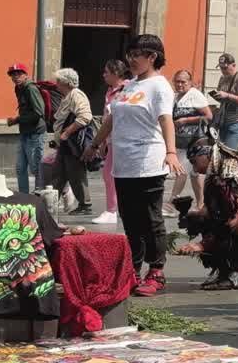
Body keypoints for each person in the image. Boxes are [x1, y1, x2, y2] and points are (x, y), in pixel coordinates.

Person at [83, 34, 184, 297]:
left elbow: (166, 120)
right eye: (129, 55)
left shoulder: (159, 86)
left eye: (136, 55)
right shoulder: (129, 86)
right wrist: (94, 144)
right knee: (130, 221)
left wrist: (171, 152)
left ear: (152, 57)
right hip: (124, 163)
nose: (131, 60)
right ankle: (132, 270)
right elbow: (111, 119)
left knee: (150, 219)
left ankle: (156, 272)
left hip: (149, 161)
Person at [174, 137, 238, 292]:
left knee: (223, 225)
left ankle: (235, 271)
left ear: (205, 155)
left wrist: (202, 244)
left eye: (194, 162)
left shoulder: (227, 175)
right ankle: (234, 269)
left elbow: (236, 219)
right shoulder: (218, 169)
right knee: (201, 221)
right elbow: (208, 212)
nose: (194, 168)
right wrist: (188, 217)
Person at [170, 70, 216, 213]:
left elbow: (209, 116)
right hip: (181, 142)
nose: (179, 84)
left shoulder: (195, 95)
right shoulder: (175, 97)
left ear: (190, 82)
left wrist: (186, 120)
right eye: (177, 81)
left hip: (197, 141)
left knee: (181, 170)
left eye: (183, 82)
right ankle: (201, 204)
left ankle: (172, 203)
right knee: (195, 175)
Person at [51, 67, 95, 215]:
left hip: (73, 143)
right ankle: (48, 203)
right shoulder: (68, 96)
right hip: (66, 144)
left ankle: (85, 205)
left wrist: (67, 132)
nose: (56, 84)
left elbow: (85, 116)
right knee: (59, 174)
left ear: (66, 82)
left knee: (76, 174)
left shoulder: (76, 95)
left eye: (58, 81)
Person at [94, 59, 130, 225]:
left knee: (111, 174)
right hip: (111, 139)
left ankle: (112, 210)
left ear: (116, 73)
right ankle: (113, 209)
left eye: (106, 72)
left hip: (123, 138)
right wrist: (102, 142)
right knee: (109, 174)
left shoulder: (128, 88)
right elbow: (106, 118)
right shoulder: (110, 91)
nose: (103, 75)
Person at [6, 62, 46, 193]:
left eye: (18, 74)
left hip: (35, 133)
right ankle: (24, 196)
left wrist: (16, 120)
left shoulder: (31, 88)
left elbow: (39, 112)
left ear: (25, 75)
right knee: (20, 168)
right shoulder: (18, 88)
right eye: (13, 75)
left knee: (36, 168)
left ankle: (44, 193)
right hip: (24, 132)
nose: (15, 77)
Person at [212, 53, 238, 151]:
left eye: (225, 68)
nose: (223, 71)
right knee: (220, 153)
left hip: (236, 122)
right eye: (221, 68)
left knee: (229, 153)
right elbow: (223, 97)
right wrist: (217, 96)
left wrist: (227, 95)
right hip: (222, 120)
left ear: (234, 65)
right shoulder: (222, 78)